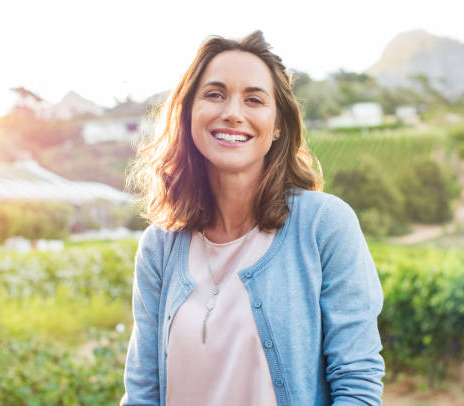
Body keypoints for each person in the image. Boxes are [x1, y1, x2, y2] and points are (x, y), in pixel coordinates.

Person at [121, 30, 385, 406]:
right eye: (214, 94)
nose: (232, 112)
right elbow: (143, 393)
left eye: (254, 99)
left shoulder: (325, 225)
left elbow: (356, 382)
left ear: (278, 125)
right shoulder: (160, 245)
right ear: (188, 113)